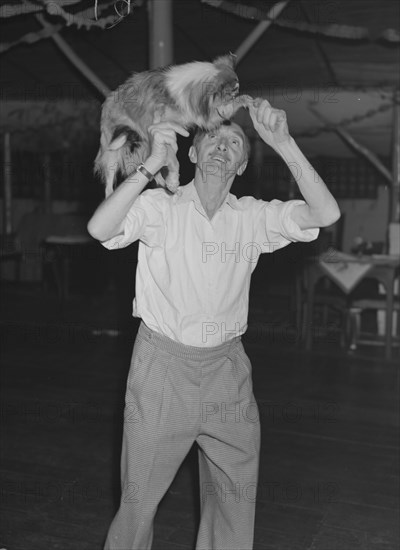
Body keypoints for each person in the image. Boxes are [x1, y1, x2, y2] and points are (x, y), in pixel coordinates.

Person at [88, 98, 340, 550]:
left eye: (235, 142)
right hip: (163, 369)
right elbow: (100, 229)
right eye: (213, 139)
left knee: (235, 497)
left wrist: (283, 143)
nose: (223, 146)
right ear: (192, 153)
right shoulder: (159, 207)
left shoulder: (251, 217)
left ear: (242, 165)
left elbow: (325, 214)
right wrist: (148, 167)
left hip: (227, 372)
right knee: (138, 501)